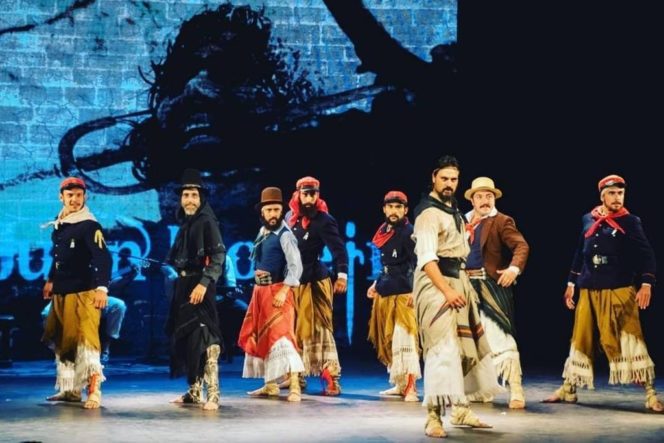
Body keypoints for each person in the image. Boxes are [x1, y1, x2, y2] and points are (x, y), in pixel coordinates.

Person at [543, 174, 662, 412]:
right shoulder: (588, 219)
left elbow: (647, 254)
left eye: (620, 193)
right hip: (588, 288)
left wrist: (646, 284)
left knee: (629, 338)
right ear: (602, 196)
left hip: (619, 288)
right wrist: (571, 283)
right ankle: (568, 388)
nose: (617, 198)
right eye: (612, 193)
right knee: (581, 337)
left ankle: (650, 393)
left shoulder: (630, 221)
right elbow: (580, 252)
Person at [412, 156, 501, 438]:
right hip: (436, 284)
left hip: (458, 281)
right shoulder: (428, 213)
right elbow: (427, 260)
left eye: (454, 179)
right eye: (445, 179)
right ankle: (433, 416)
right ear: (434, 177)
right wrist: (447, 290)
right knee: (442, 348)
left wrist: (459, 286)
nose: (449, 184)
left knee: (463, 347)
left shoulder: (452, 210)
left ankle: (460, 408)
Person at [41, 176, 112, 409]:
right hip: (62, 292)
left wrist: (102, 288)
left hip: (84, 292)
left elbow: (103, 257)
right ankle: (70, 390)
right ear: (61, 197)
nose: (74, 199)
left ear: (85, 197)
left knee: (87, 342)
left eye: (79, 195)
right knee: (65, 341)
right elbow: (59, 256)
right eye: (70, 195)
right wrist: (51, 280)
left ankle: (94, 391)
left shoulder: (89, 225)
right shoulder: (61, 223)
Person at [463, 177, 530, 409]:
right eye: (480, 196)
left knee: (500, 335)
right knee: (469, 339)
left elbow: (521, 246)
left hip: (490, 285)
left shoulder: (501, 220)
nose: (485, 201)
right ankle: (480, 389)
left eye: (489, 196)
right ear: (472, 200)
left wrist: (513, 269)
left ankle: (516, 388)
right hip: (465, 287)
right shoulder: (462, 222)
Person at [166, 168, 225, 411]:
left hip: (200, 287)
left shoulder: (207, 221)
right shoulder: (185, 224)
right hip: (184, 287)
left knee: (206, 338)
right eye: (185, 195)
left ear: (201, 198)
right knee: (189, 340)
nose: (189, 200)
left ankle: (213, 394)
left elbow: (218, 256)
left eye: (193, 195)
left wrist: (203, 283)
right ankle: (194, 391)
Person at [238, 187, 304, 402]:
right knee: (263, 337)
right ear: (263, 213)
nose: (273, 214)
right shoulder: (262, 232)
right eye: (269, 210)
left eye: (276, 209)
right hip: (261, 293)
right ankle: (270, 385)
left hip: (278, 292)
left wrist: (284, 291)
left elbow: (296, 267)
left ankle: (295, 386)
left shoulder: (286, 235)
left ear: (281, 211)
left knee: (283, 338)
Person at [286, 176, 349, 395]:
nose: (309, 198)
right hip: (294, 282)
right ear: (298, 194)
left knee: (320, 329)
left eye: (313, 194)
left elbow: (339, 250)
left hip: (315, 282)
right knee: (295, 330)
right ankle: (296, 376)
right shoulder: (289, 218)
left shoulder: (324, 220)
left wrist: (342, 276)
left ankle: (331, 378)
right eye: (306, 194)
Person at [367, 190, 420, 402]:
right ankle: (399, 384)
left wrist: (416, 290)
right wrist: (375, 284)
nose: (394, 211)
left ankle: (411, 387)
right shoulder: (383, 231)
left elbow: (418, 263)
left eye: (398, 207)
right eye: (390, 207)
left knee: (404, 337)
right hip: (386, 290)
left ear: (405, 210)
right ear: (384, 209)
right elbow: (387, 265)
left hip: (404, 292)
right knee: (390, 340)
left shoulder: (409, 232)